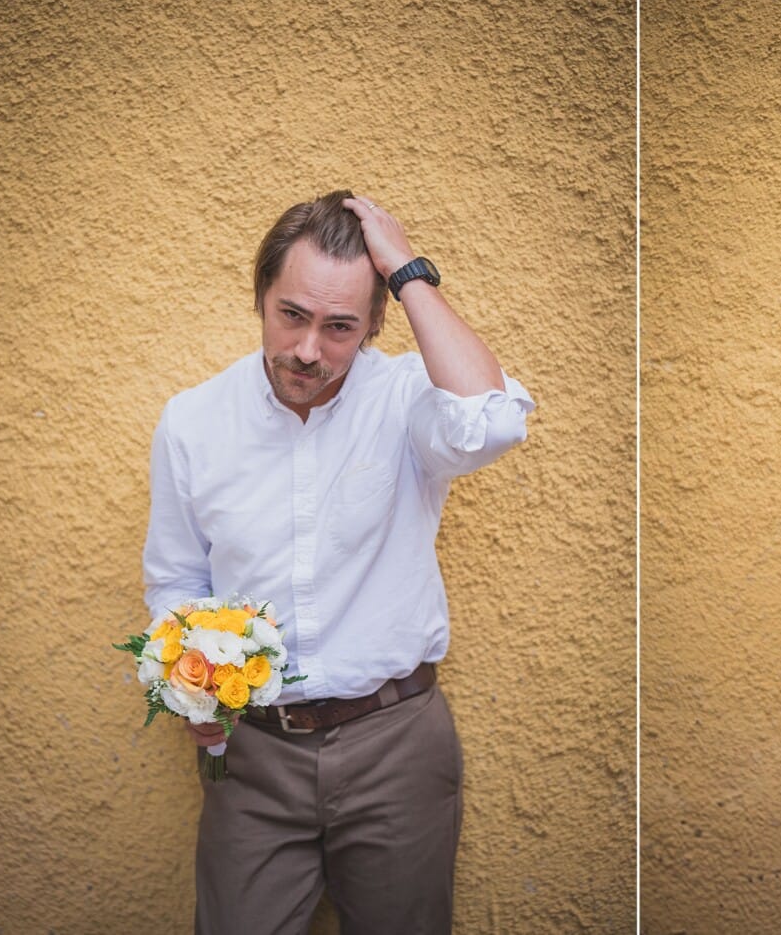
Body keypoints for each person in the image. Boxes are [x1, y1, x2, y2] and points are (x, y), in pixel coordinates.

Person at [143, 189, 533, 934]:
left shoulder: (410, 400)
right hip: (251, 752)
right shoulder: (192, 421)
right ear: (260, 296)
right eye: (291, 314)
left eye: (340, 326)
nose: (308, 350)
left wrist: (406, 269)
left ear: (376, 324)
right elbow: (177, 577)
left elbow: (497, 421)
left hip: (398, 745)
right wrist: (188, 686)